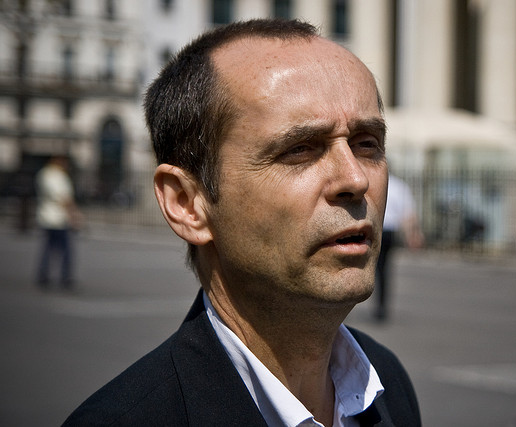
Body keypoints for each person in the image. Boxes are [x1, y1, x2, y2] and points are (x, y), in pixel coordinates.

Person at [63, 19, 421, 426]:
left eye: (367, 144)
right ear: (187, 204)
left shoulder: (387, 384)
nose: (355, 180)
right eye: (300, 149)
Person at [375, 174, 423, 321]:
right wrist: (412, 234)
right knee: (384, 269)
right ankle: (382, 307)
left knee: (374, 268)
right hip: (390, 232)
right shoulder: (399, 186)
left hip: (377, 229)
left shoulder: (375, 182)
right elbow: (408, 214)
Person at [35, 155, 82, 289]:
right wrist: (74, 215)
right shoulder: (59, 176)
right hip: (58, 218)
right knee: (65, 249)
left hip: (45, 215)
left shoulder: (43, 174)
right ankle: (65, 277)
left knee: (48, 247)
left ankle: (43, 274)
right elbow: (64, 198)